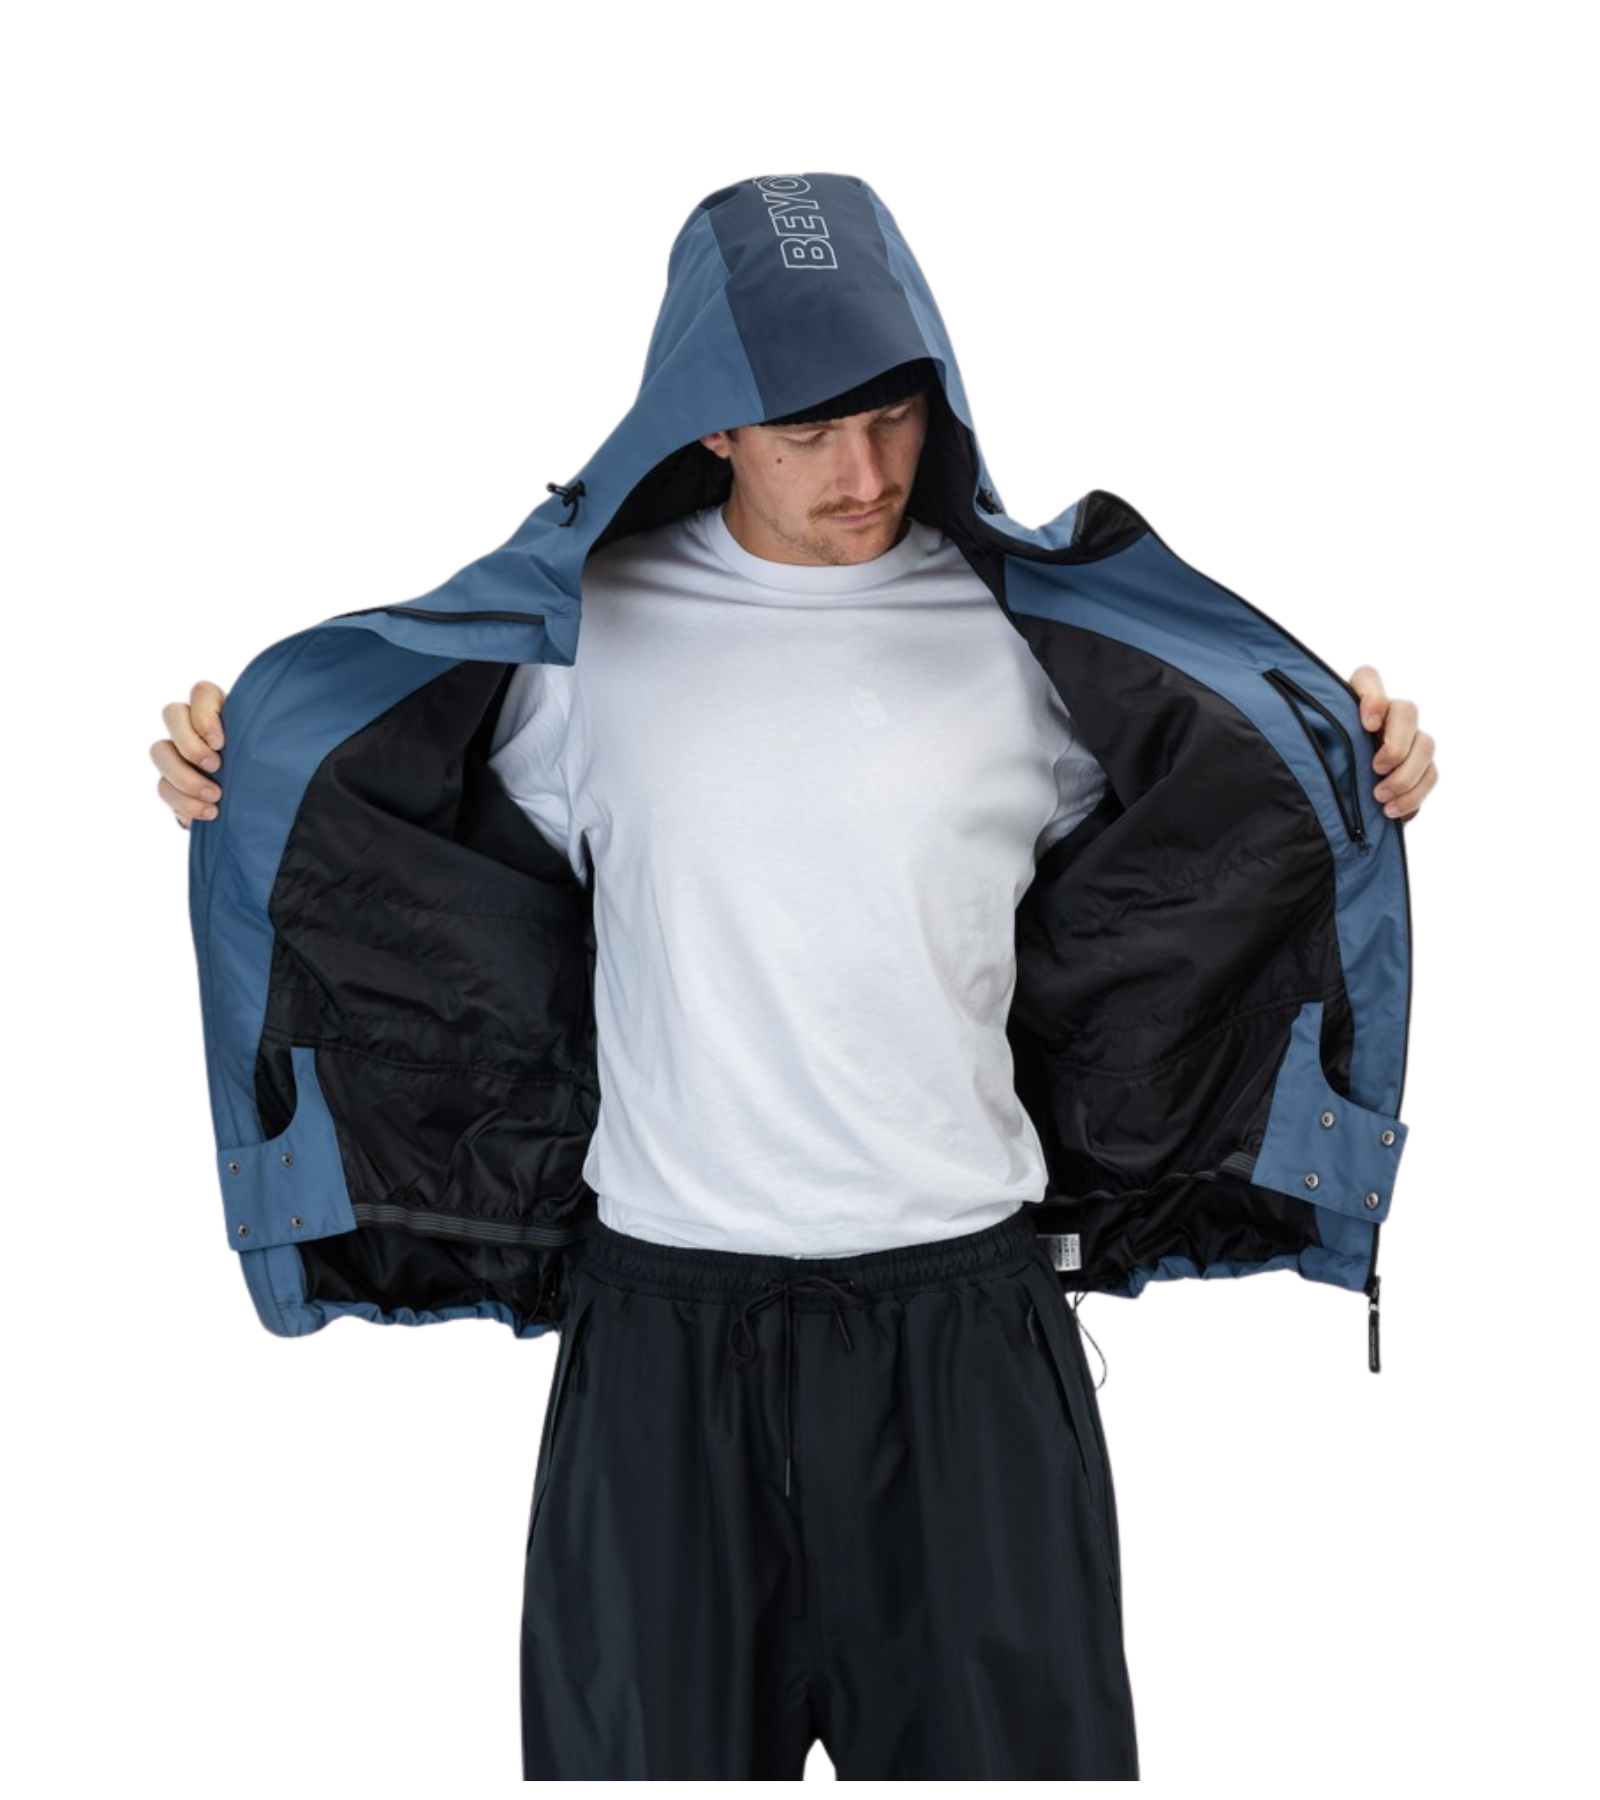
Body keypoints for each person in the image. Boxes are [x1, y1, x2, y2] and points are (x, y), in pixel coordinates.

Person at [152, 175, 1436, 1780]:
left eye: (895, 420)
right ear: (708, 426)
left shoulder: (1021, 643)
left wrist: (1350, 762)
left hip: (966, 1333)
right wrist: (246, 770)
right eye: (810, 432)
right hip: (661, 1345)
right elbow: (399, 827)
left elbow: (1214, 838)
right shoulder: (581, 645)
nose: (866, 473)